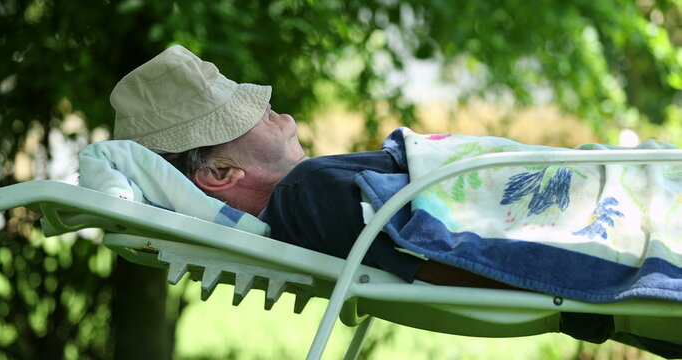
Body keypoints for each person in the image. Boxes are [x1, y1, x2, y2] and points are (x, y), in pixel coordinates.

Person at [109, 44, 516, 289]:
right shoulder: (308, 192)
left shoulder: (310, 201)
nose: (265, 105)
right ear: (220, 174)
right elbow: (465, 267)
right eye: (236, 116)